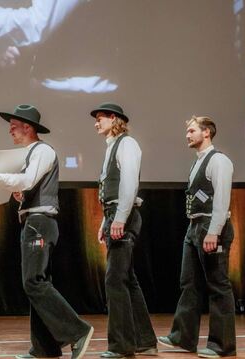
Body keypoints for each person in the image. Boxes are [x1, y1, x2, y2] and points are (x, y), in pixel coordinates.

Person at [0, 104, 93, 359]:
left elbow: (28, 180)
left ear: (28, 127)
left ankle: (78, 331)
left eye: (14, 127)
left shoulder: (43, 151)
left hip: (39, 222)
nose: (11, 132)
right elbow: (28, 186)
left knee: (33, 282)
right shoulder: (32, 152)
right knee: (39, 282)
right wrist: (20, 196)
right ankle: (44, 348)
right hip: (34, 220)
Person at [158, 116, 236, 358]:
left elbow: (222, 199)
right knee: (189, 282)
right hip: (194, 227)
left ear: (207, 133)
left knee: (218, 285)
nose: (187, 135)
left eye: (192, 130)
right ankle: (183, 337)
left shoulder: (219, 161)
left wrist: (214, 231)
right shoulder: (198, 162)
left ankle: (222, 346)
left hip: (210, 225)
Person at [90, 102, 157, 358]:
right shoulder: (111, 147)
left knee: (115, 280)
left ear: (114, 119)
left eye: (101, 118)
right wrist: (104, 222)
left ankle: (121, 346)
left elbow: (129, 183)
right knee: (127, 279)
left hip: (124, 217)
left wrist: (119, 219)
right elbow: (111, 191)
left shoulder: (127, 144)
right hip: (116, 216)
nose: (96, 123)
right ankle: (145, 341)